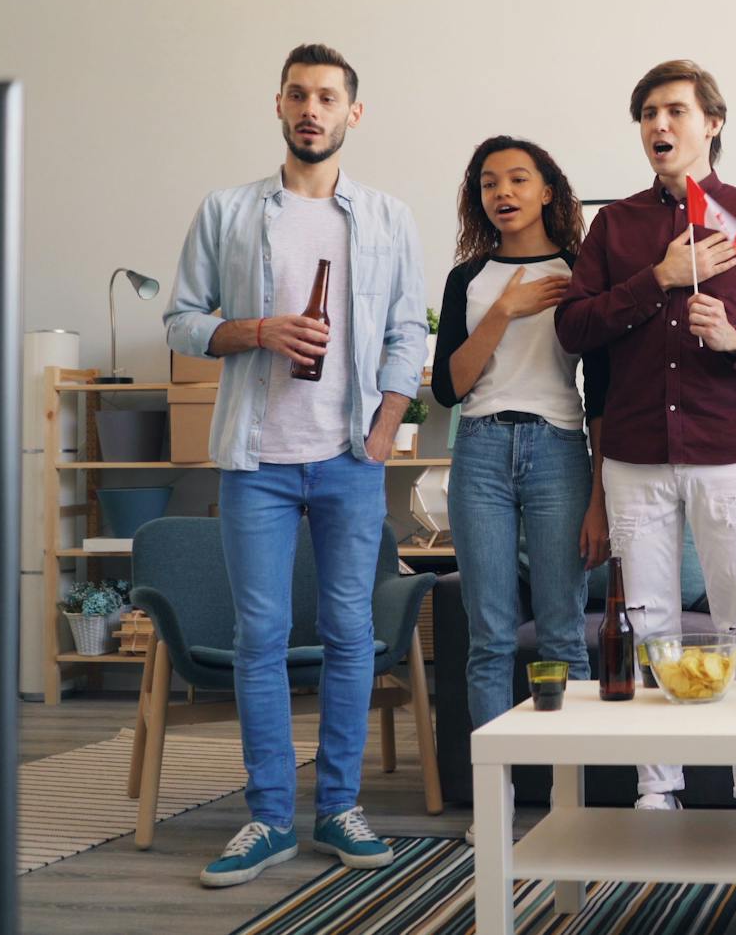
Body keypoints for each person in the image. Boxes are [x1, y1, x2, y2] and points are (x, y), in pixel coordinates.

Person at [164, 43, 426, 887]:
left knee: (352, 634)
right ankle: (270, 816)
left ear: (354, 113)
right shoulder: (228, 211)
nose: (312, 109)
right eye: (298, 95)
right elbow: (181, 320)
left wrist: (387, 423)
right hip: (256, 459)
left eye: (328, 97)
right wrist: (257, 330)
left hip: (350, 456)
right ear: (278, 106)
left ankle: (339, 807)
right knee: (260, 638)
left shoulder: (388, 217)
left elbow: (406, 333)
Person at [554, 59, 736, 810]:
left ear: (713, 122)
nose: (658, 126)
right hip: (635, 457)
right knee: (650, 628)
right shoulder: (615, 226)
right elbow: (574, 328)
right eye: (646, 115)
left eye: (674, 111)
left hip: (729, 452)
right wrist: (659, 279)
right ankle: (657, 789)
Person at [431, 135, 610, 735]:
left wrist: (599, 501)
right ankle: (494, 805)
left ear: (547, 191)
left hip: (560, 452)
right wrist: (505, 309)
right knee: (490, 639)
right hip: (480, 450)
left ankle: (574, 804)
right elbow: (449, 389)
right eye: (488, 183)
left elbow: (602, 395)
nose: (502, 192)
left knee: (564, 634)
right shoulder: (470, 280)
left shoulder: (582, 272)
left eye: (517, 179)